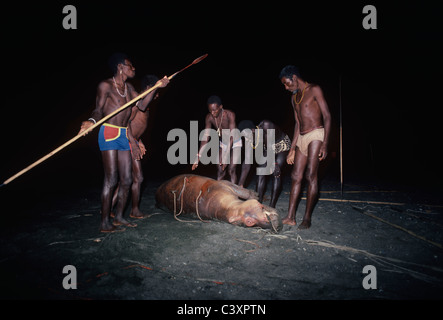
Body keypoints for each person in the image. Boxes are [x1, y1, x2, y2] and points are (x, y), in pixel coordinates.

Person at [78, 53, 169, 232]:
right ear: (120, 67)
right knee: (111, 179)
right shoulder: (106, 86)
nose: (133, 68)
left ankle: (119, 216)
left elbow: (142, 105)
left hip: (123, 134)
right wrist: (90, 121)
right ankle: (104, 222)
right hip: (109, 131)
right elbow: (98, 110)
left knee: (127, 179)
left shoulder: (129, 89)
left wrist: (156, 87)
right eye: (130, 65)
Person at [279, 65, 331, 229]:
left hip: (316, 133)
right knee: (296, 176)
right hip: (301, 136)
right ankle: (290, 216)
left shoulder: (314, 89)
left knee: (311, 175)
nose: (286, 87)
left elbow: (327, 116)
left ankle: (307, 218)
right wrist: (292, 148)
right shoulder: (294, 98)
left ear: (294, 77)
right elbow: (297, 123)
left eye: (287, 83)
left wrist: (325, 143)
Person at [111, 74, 161, 219]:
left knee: (128, 180)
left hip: (132, 141)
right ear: (148, 88)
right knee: (136, 178)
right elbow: (124, 123)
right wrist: (133, 141)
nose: (157, 95)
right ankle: (132, 210)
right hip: (126, 142)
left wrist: (139, 141)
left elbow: (135, 125)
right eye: (155, 92)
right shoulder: (136, 102)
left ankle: (124, 209)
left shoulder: (144, 104)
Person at [237, 120, 291, 208]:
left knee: (276, 172)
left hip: (281, 145)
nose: (246, 139)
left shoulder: (266, 125)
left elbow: (271, 150)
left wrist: (275, 163)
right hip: (268, 149)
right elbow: (247, 162)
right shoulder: (249, 139)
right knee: (261, 172)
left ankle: (272, 205)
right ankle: (258, 202)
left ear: (253, 130)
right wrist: (241, 183)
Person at [192, 95, 240, 183]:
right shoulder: (209, 117)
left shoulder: (230, 114)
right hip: (224, 143)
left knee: (231, 170)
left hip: (235, 141)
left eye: (215, 110)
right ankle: (217, 193)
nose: (212, 113)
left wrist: (226, 156)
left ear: (221, 107)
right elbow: (205, 138)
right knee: (220, 170)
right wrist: (198, 156)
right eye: (210, 110)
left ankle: (234, 194)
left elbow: (232, 136)